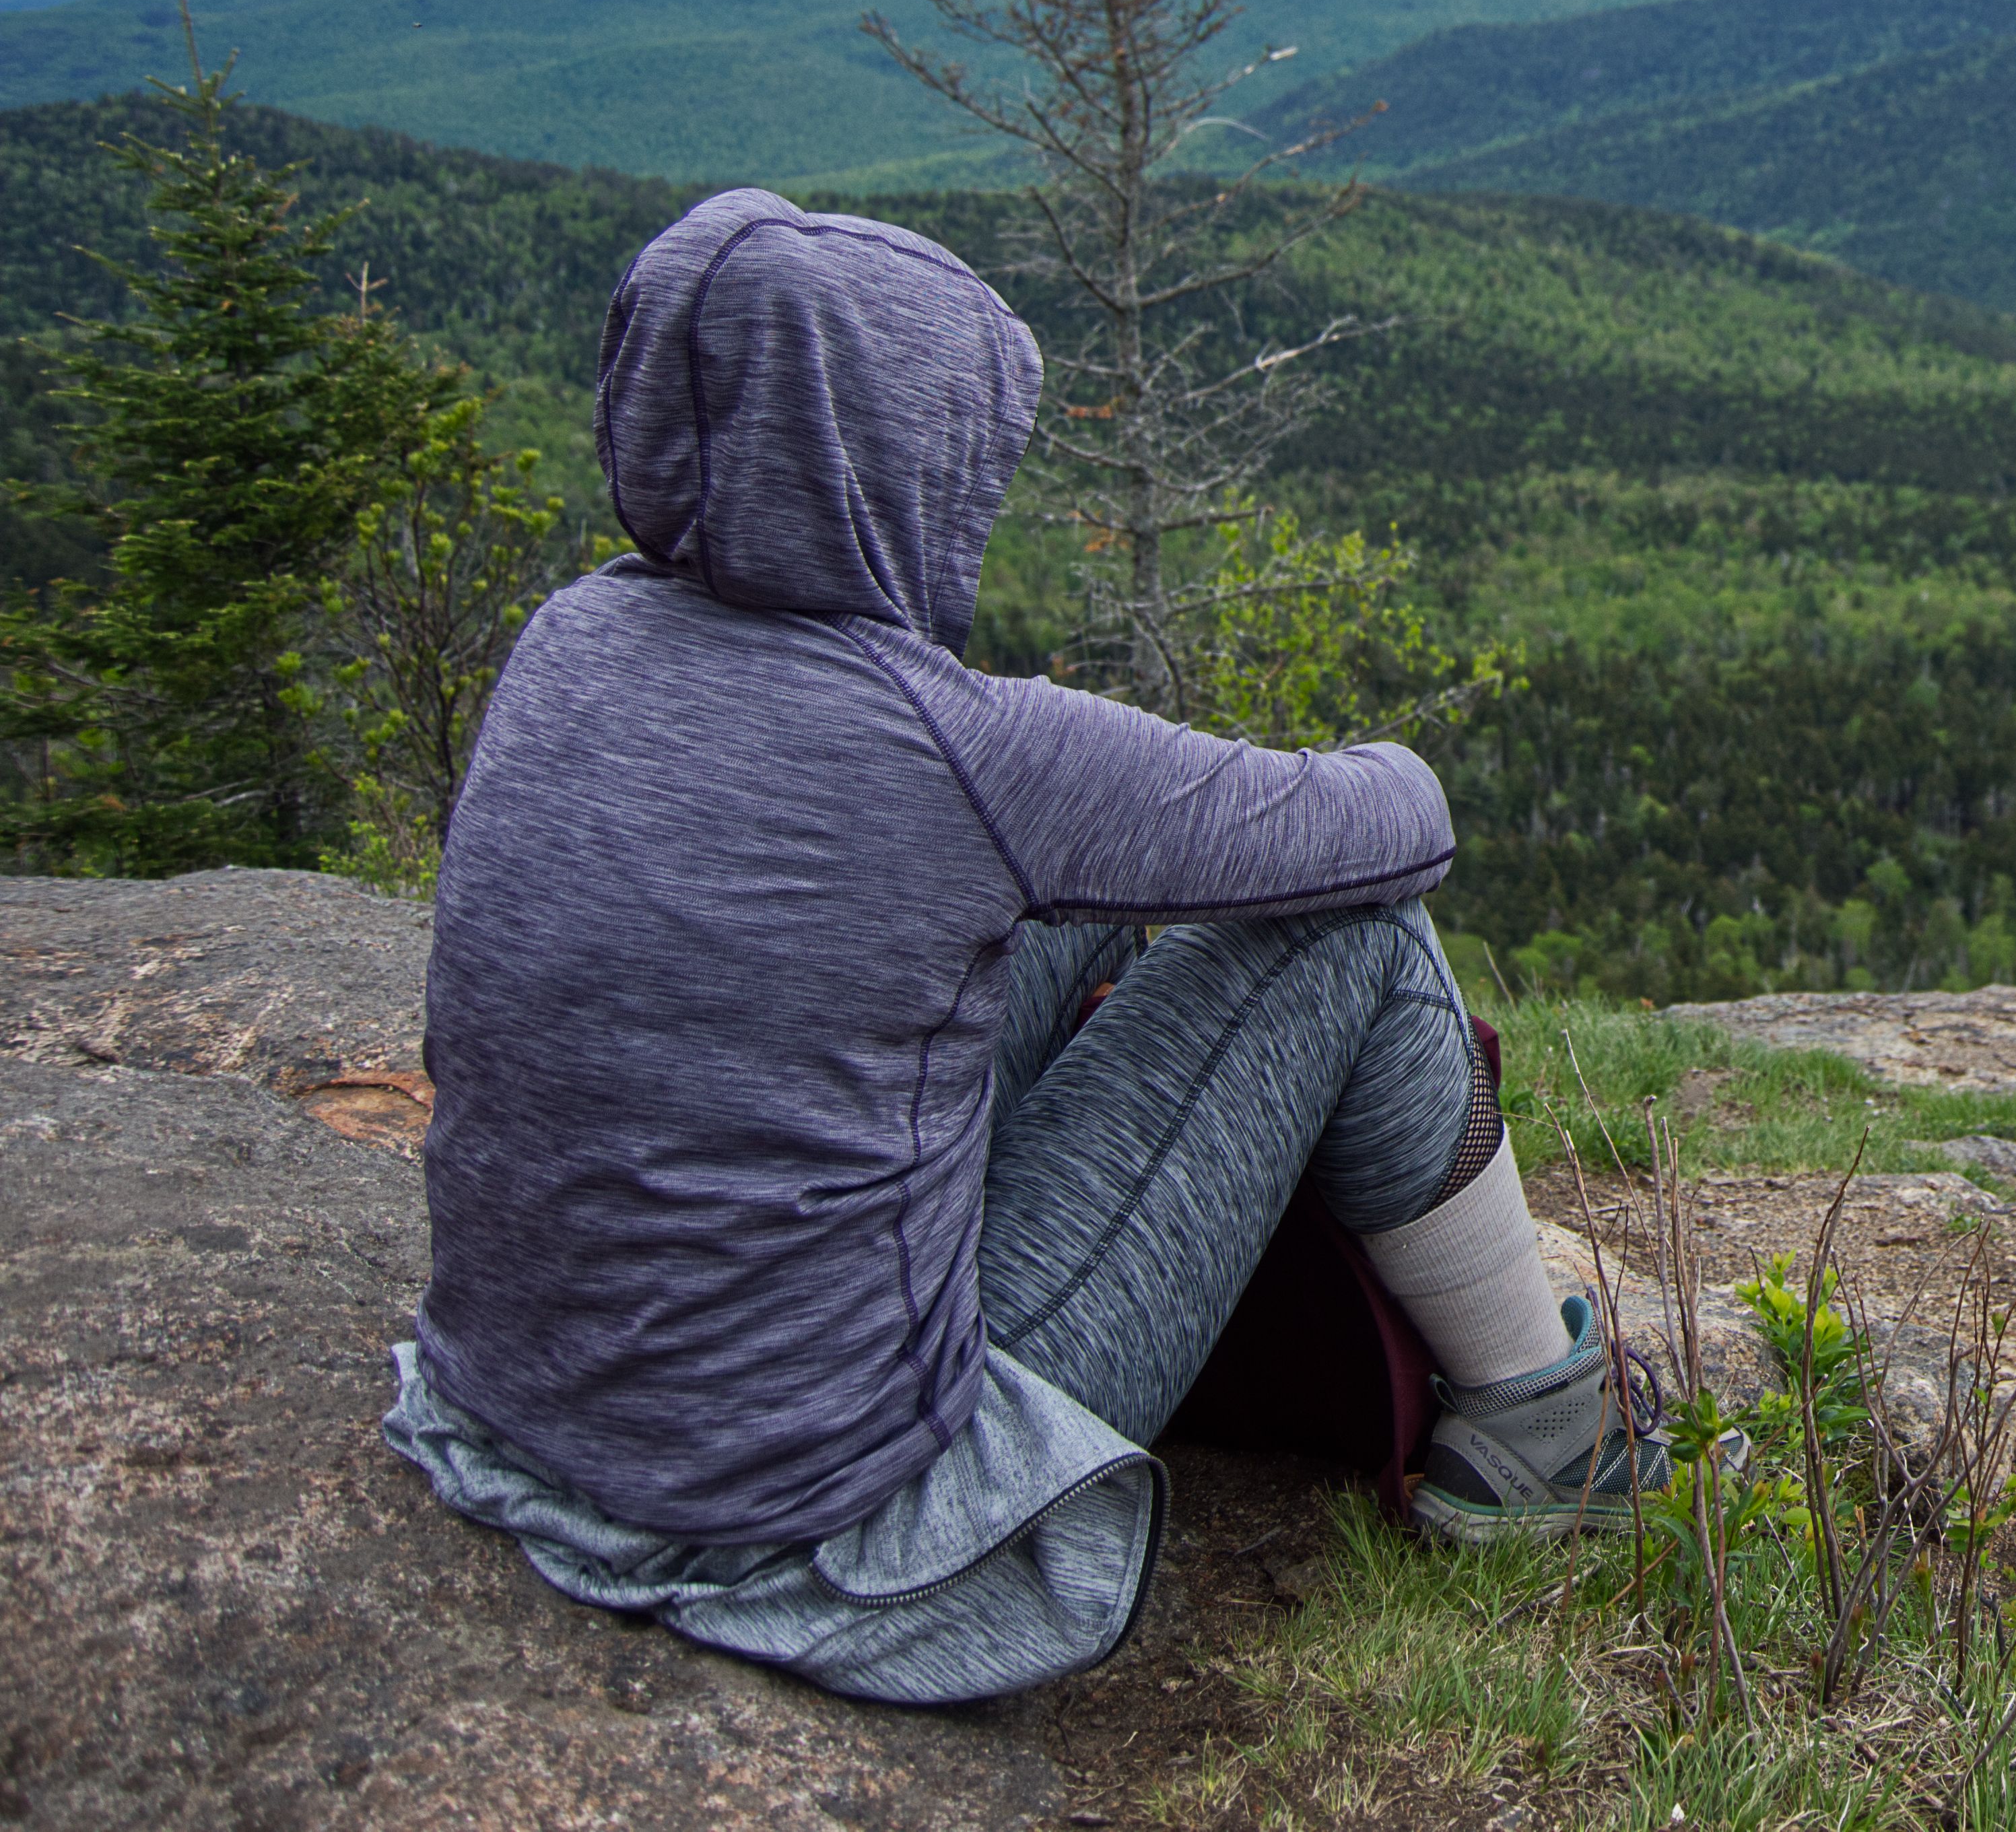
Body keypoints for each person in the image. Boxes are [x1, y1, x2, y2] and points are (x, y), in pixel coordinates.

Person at [381, 189, 1663, 1705]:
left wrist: (1084, 798)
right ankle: (1541, 1427)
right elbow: (1397, 821)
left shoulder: (564, 643)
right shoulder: (953, 752)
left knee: (1108, 887)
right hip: (834, 1499)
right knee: (1354, 937)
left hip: (519, 1410)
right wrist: (1136, 765)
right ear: (898, 459)